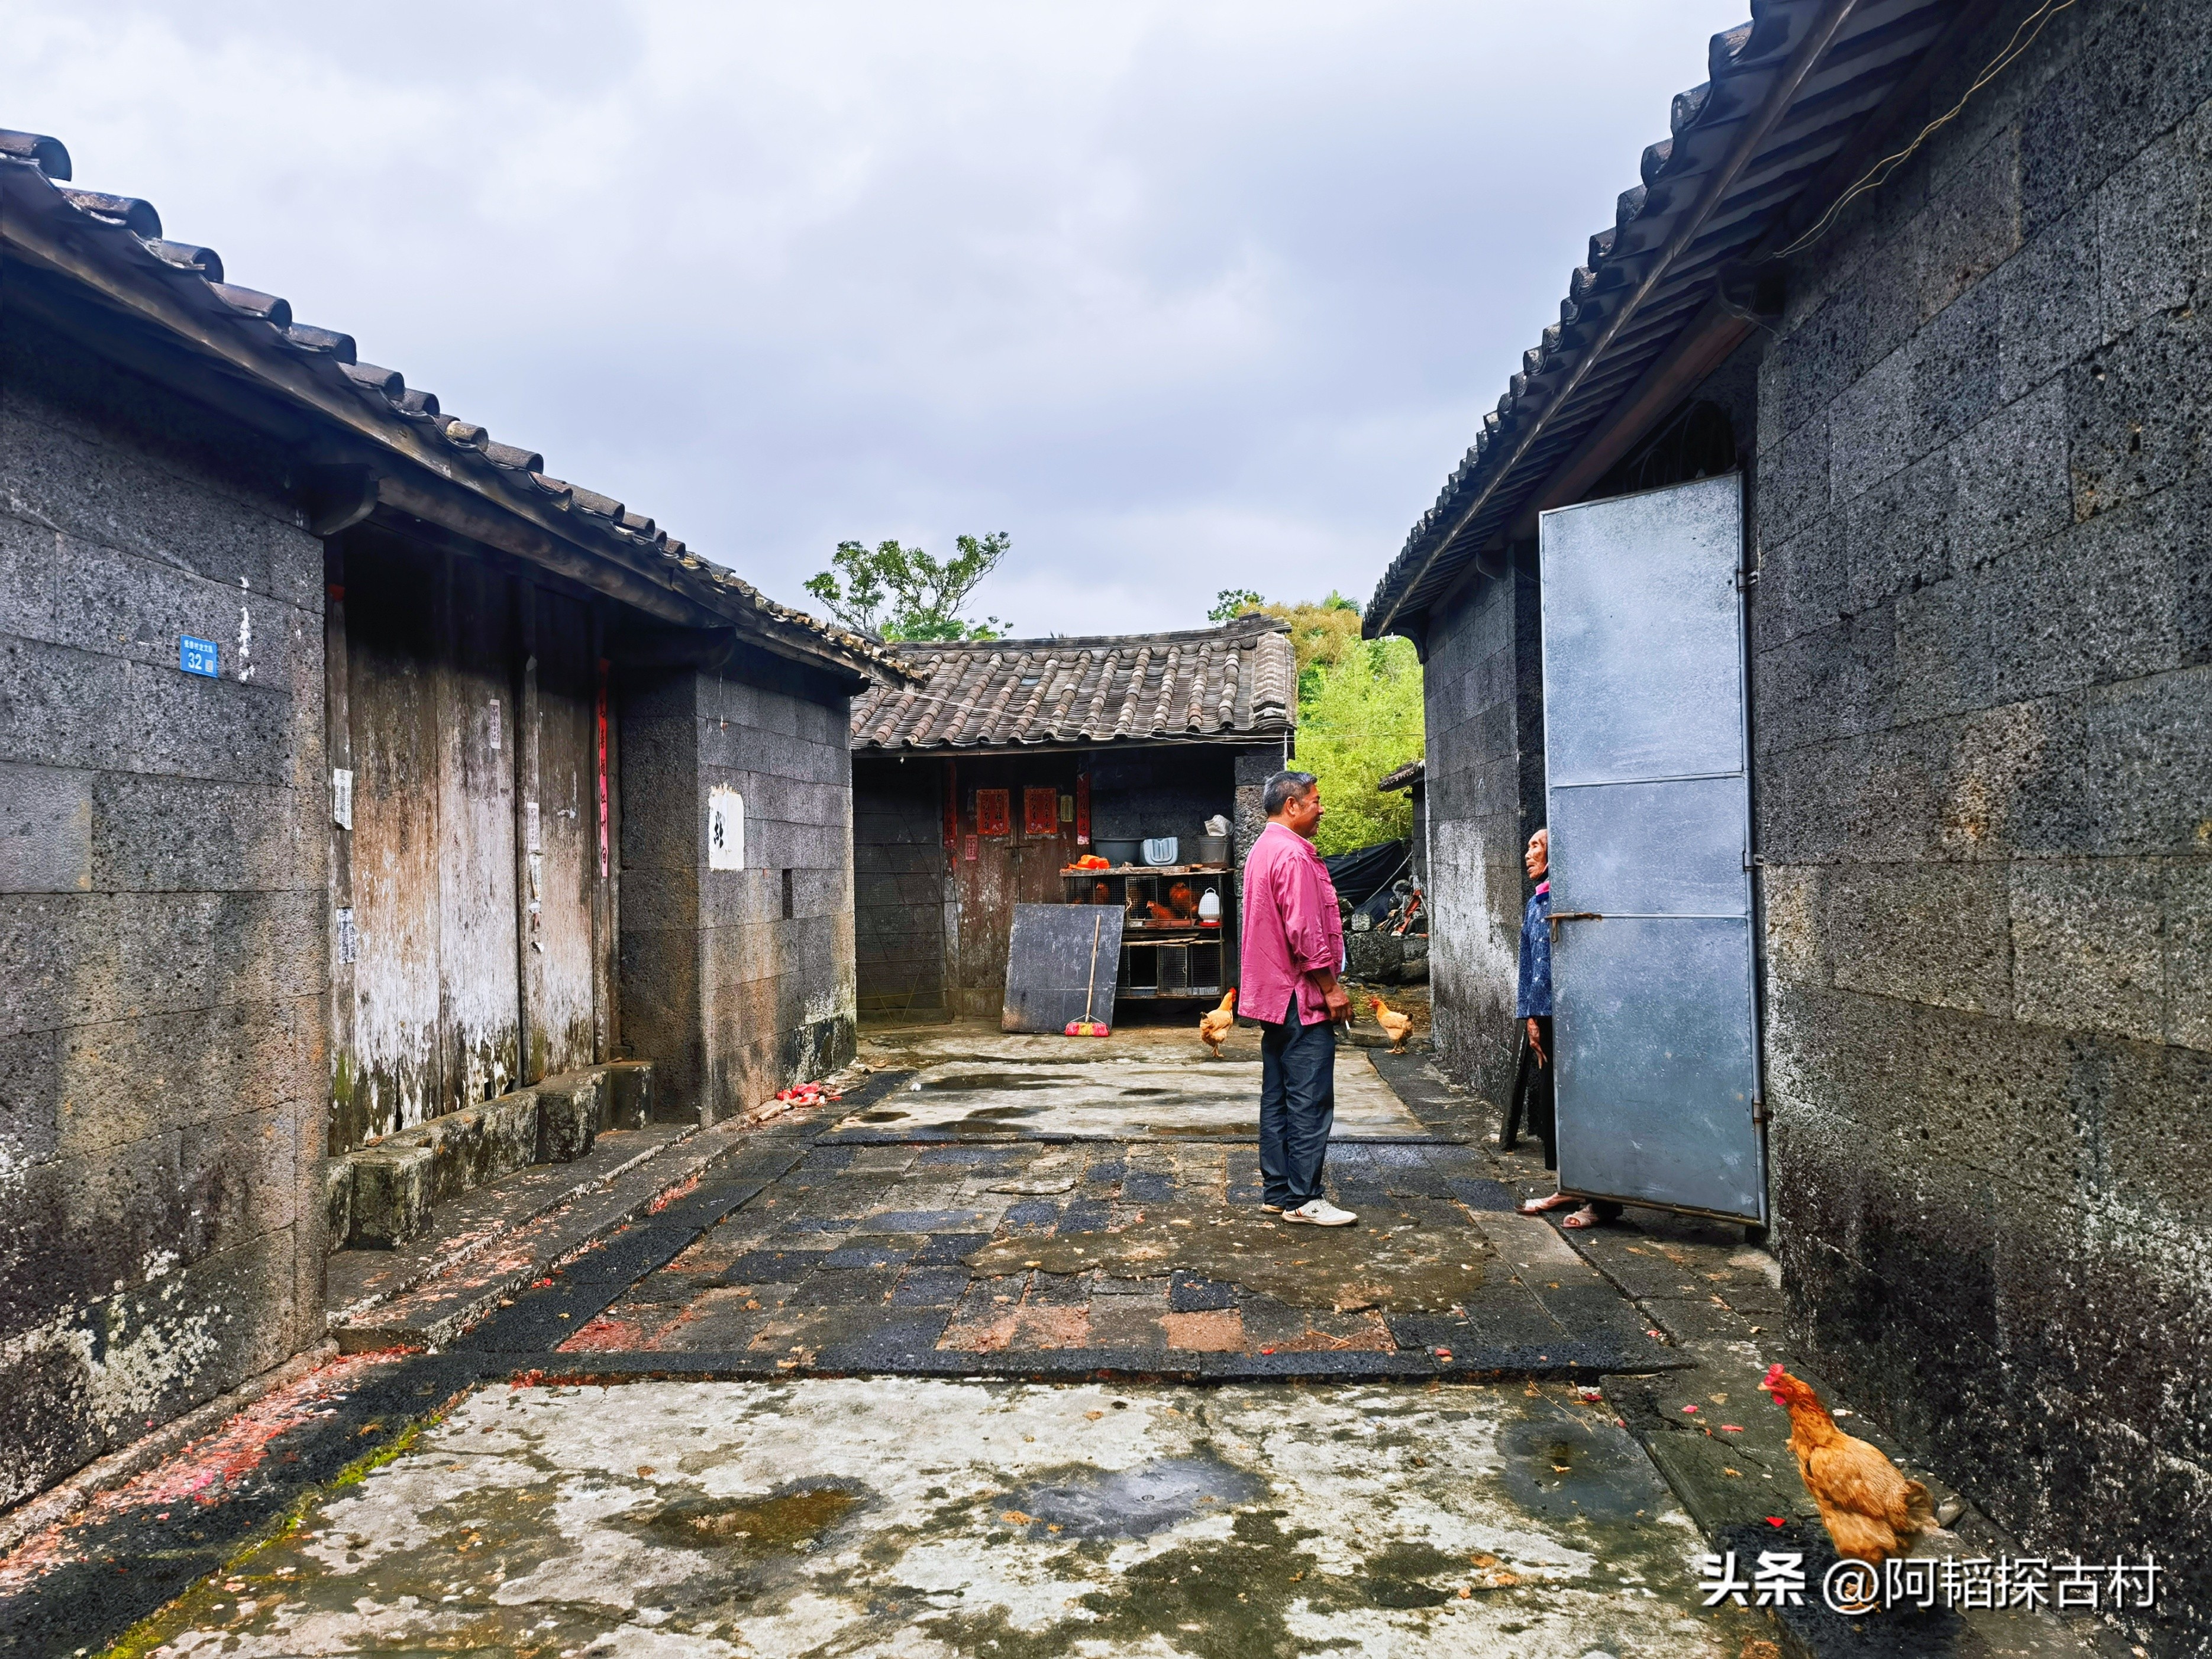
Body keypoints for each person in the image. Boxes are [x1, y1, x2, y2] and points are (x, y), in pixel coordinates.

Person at [1238, 770, 1356, 1227]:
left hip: (1272, 993)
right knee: (1308, 1097)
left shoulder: (1262, 849)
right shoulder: (1292, 854)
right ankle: (1305, 1198)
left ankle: (1278, 1193)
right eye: (1315, 802)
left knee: (1278, 1095)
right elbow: (1305, 931)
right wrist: (1331, 988)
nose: (1320, 809)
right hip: (1298, 992)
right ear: (1291, 806)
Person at [1510, 825, 1619, 1230]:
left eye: (1536, 846)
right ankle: (1570, 1184)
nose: (1527, 853)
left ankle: (1600, 1200)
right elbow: (1528, 963)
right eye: (1529, 846)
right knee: (1555, 1102)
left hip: (1581, 1016)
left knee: (1586, 1101)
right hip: (1547, 1015)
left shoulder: (1571, 902)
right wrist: (1530, 1015)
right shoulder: (1535, 903)